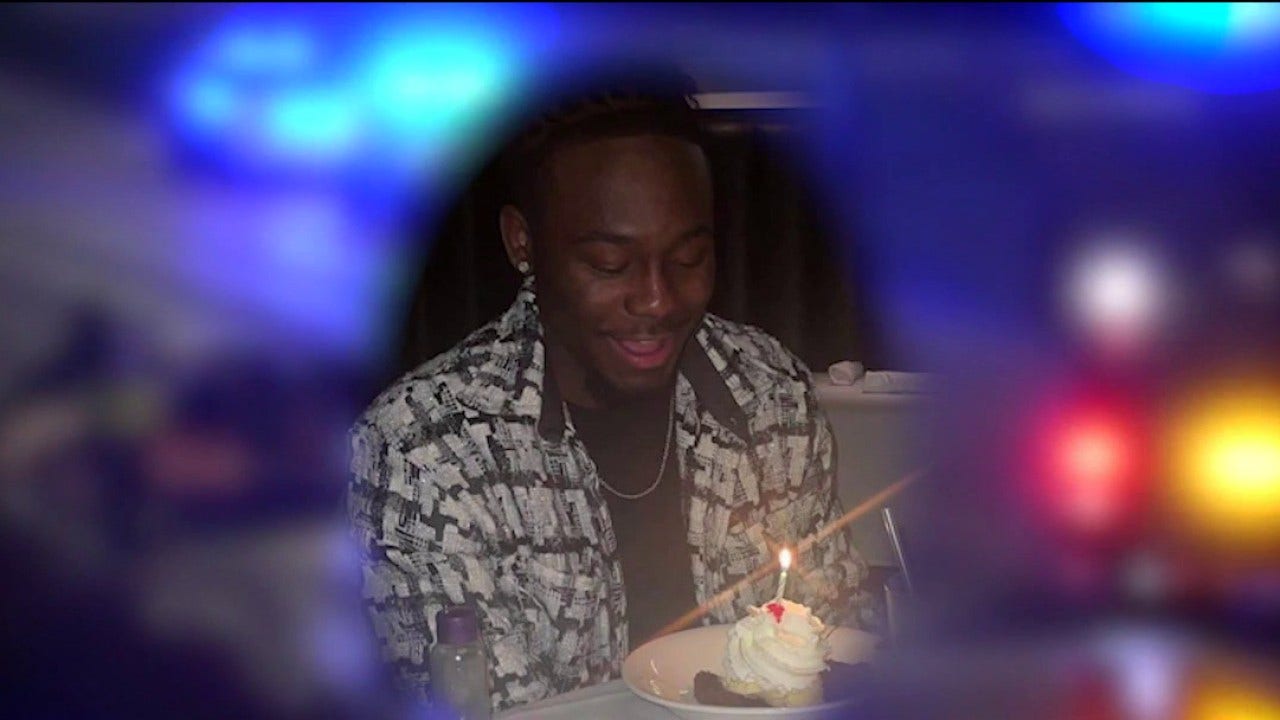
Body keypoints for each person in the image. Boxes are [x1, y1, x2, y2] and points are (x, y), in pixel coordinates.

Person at [347, 65, 875, 712]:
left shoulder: (769, 396)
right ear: (523, 243)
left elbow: (838, 639)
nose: (657, 299)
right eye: (609, 264)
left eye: (687, 258)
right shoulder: (426, 454)